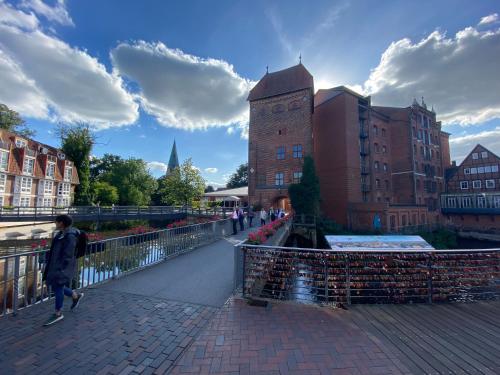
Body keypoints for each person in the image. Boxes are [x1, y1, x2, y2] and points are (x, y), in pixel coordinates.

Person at [42, 214, 84, 326]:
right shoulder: (62, 233)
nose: (55, 223)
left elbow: (68, 254)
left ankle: (58, 313)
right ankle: (75, 295)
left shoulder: (69, 236)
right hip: (57, 265)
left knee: (58, 286)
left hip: (62, 267)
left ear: (61, 223)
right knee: (57, 286)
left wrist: (61, 267)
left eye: (56, 221)